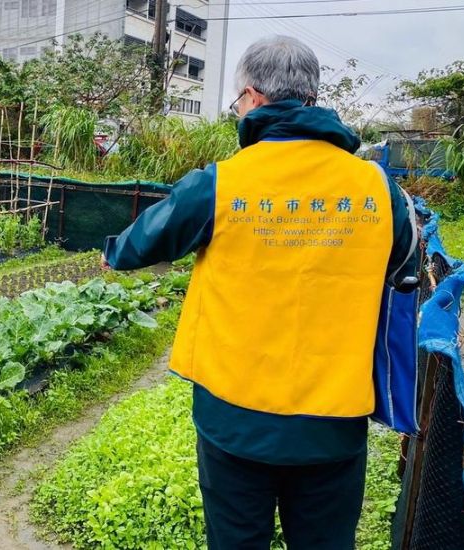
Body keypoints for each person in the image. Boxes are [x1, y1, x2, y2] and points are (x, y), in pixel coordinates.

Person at [102, 35, 417, 549]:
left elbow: (136, 247)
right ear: (311, 98)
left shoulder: (219, 183)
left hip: (235, 420)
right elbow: (404, 266)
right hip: (334, 420)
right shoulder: (379, 188)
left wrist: (111, 252)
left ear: (251, 97)